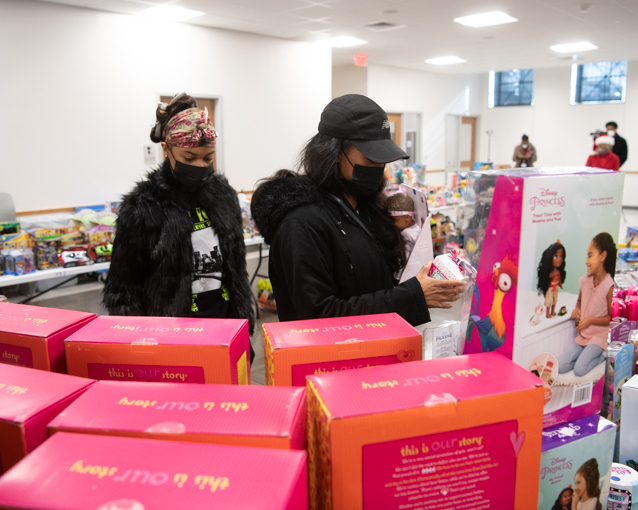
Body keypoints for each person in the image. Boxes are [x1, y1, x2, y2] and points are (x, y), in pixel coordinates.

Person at [250, 94, 464, 326]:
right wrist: (412, 295)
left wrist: (428, 268)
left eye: (383, 161)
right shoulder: (301, 224)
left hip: (380, 350)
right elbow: (317, 317)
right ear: (335, 152)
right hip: (329, 360)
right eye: (370, 158)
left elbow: (378, 284)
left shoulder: (366, 208)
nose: (378, 168)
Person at [103, 93, 255, 361]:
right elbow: (122, 290)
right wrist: (142, 344)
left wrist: (244, 323)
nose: (199, 166)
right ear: (167, 150)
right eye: (189, 157)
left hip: (225, 326)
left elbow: (237, 272)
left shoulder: (224, 197)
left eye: (207, 159)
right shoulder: (143, 206)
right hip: (169, 336)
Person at [558, 233, 615, 376]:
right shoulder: (585, 281)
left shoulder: (609, 286)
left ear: (602, 256)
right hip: (583, 335)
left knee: (579, 370)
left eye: (590, 256)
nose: (586, 261)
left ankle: (602, 356)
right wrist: (577, 309)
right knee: (561, 366)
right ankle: (584, 355)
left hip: (598, 338)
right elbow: (579, 301)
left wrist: (590, 320)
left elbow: (611, 317)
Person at [536, 241, 566, 319]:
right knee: (549, 300)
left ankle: (553, 311)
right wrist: (551, 274)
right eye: (556, 256)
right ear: (549, 257)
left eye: (561, 256)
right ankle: (547, 313)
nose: (559, 259)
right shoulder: (550, 271)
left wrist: (560, 285)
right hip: (550, 288)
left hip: (555, 288)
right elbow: (547, 277)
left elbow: (559, 279)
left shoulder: (558, 271)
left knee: (555, 300)